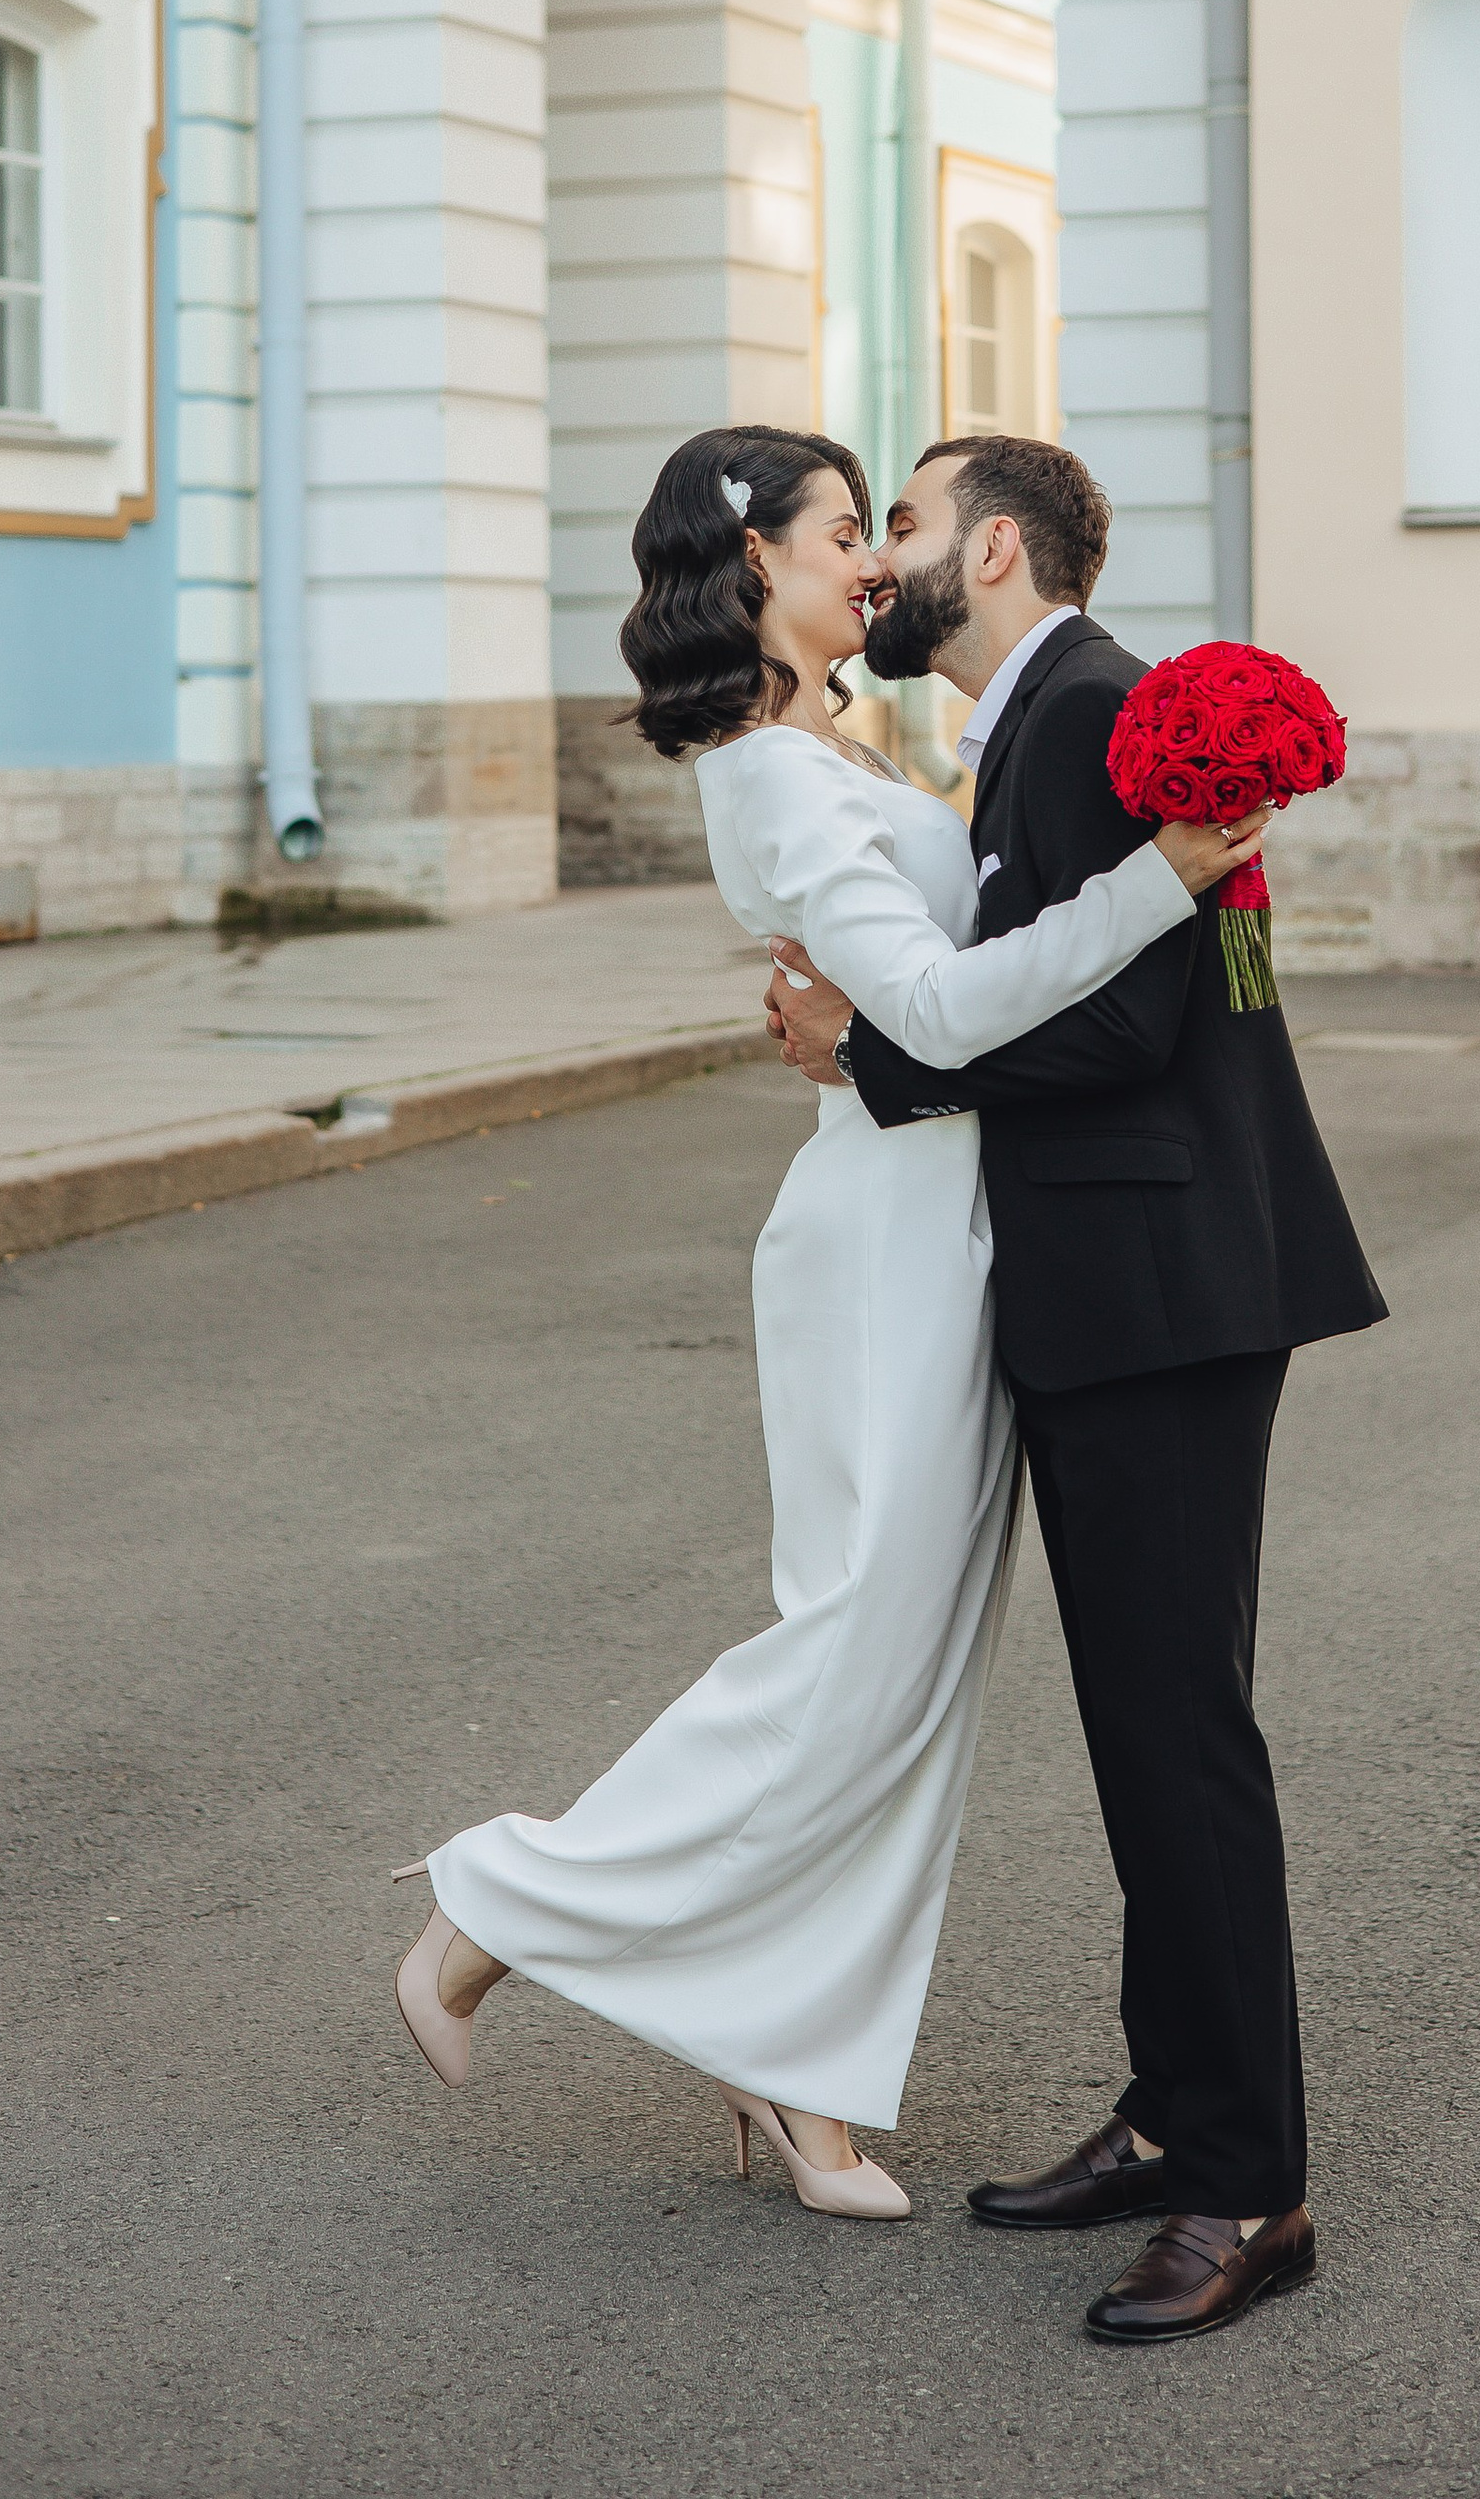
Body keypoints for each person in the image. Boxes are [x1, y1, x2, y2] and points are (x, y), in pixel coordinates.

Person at [390, 425, 1270, 2225]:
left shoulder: (837, 746)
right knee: (851, 1649)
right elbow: (943, 1010)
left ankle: (794, 2069)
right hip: (889, 1240)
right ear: (756, 566)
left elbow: (932, 1005)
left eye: (895, 526)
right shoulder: (773, 777)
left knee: (912, 1679)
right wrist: (1159, 882)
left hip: (960, 1217)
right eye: (848, 531)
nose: (875, 561)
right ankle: (502, 1909)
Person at [766, 435, 1386, 2343]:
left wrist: (870, 1053)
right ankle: (1170, 2110)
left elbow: (1123, 1014)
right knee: (1142, 1729)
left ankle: (1243, 2188)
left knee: (1181, 1735)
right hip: (1152, 1281)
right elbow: (1169, 982)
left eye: (914, 527)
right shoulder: (1057, 720)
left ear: (1001, 551)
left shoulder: (1087, 716)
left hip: (1161, 1292)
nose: (884, 562)